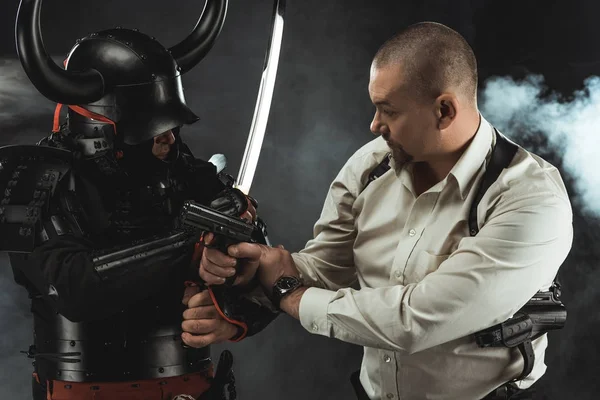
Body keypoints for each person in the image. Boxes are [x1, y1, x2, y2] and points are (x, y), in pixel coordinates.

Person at [196, 22, 573, 399]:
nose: (374, 125)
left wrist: (287, 293)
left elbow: (414, 320)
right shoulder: (371, 166)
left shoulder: (531, 202)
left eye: (387, 111)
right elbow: (326, 269)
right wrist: (258, 271)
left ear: (444, 111)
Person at [1, 0, 277, 399]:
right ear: (102, 127)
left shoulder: (189, 174)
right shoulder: (38, 179)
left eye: (170, 125)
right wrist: (190, 242)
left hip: (193, 390)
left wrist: (232, 315)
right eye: (152, 127)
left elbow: (277, 275)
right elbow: (74, 288)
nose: (168, 137)